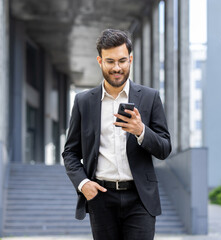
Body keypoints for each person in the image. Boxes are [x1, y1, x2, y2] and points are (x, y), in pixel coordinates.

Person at [62, 28, 172, 240]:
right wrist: (83, 184)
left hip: (140, 197)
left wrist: (141, 131)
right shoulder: (83, 102)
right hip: (100, 197)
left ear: (130, 59)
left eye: (122, 61)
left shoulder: (150, 98)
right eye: (110, 61)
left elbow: (165, 148)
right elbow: (70, 153)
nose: (117, 68)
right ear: (99, 60)